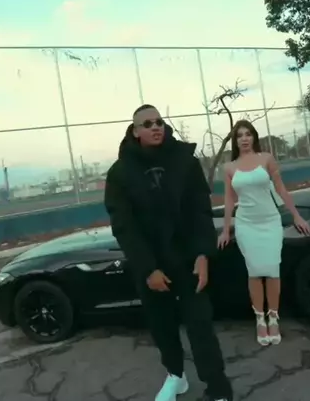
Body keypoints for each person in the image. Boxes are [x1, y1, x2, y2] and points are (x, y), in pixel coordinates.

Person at [104, 104, 234, 401]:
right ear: (135, 132)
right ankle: (176, 375)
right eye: (148, 124)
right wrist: (148, 269)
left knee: (200, 326)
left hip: (188, 260)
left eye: (159, 122)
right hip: (152, 265)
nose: (155, 127)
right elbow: (124, 227)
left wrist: (203, 255)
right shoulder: (120, 172)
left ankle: (218, 388)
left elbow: (200, 211)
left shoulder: (184, 161)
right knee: (162, 327)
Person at [217, 120, 310, 346]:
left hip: (269, 221)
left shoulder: (266, 158)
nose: (244, 139)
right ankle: (260, 320)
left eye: (248, 134)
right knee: (255, 272)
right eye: (240, 135)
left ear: (254, 137)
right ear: (235, 140)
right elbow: (229, 199)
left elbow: (280, 188)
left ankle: (274, 318)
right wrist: (226, 229)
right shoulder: (229, 168)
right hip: (246, 224)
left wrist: (296, 216)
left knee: (272, 270)